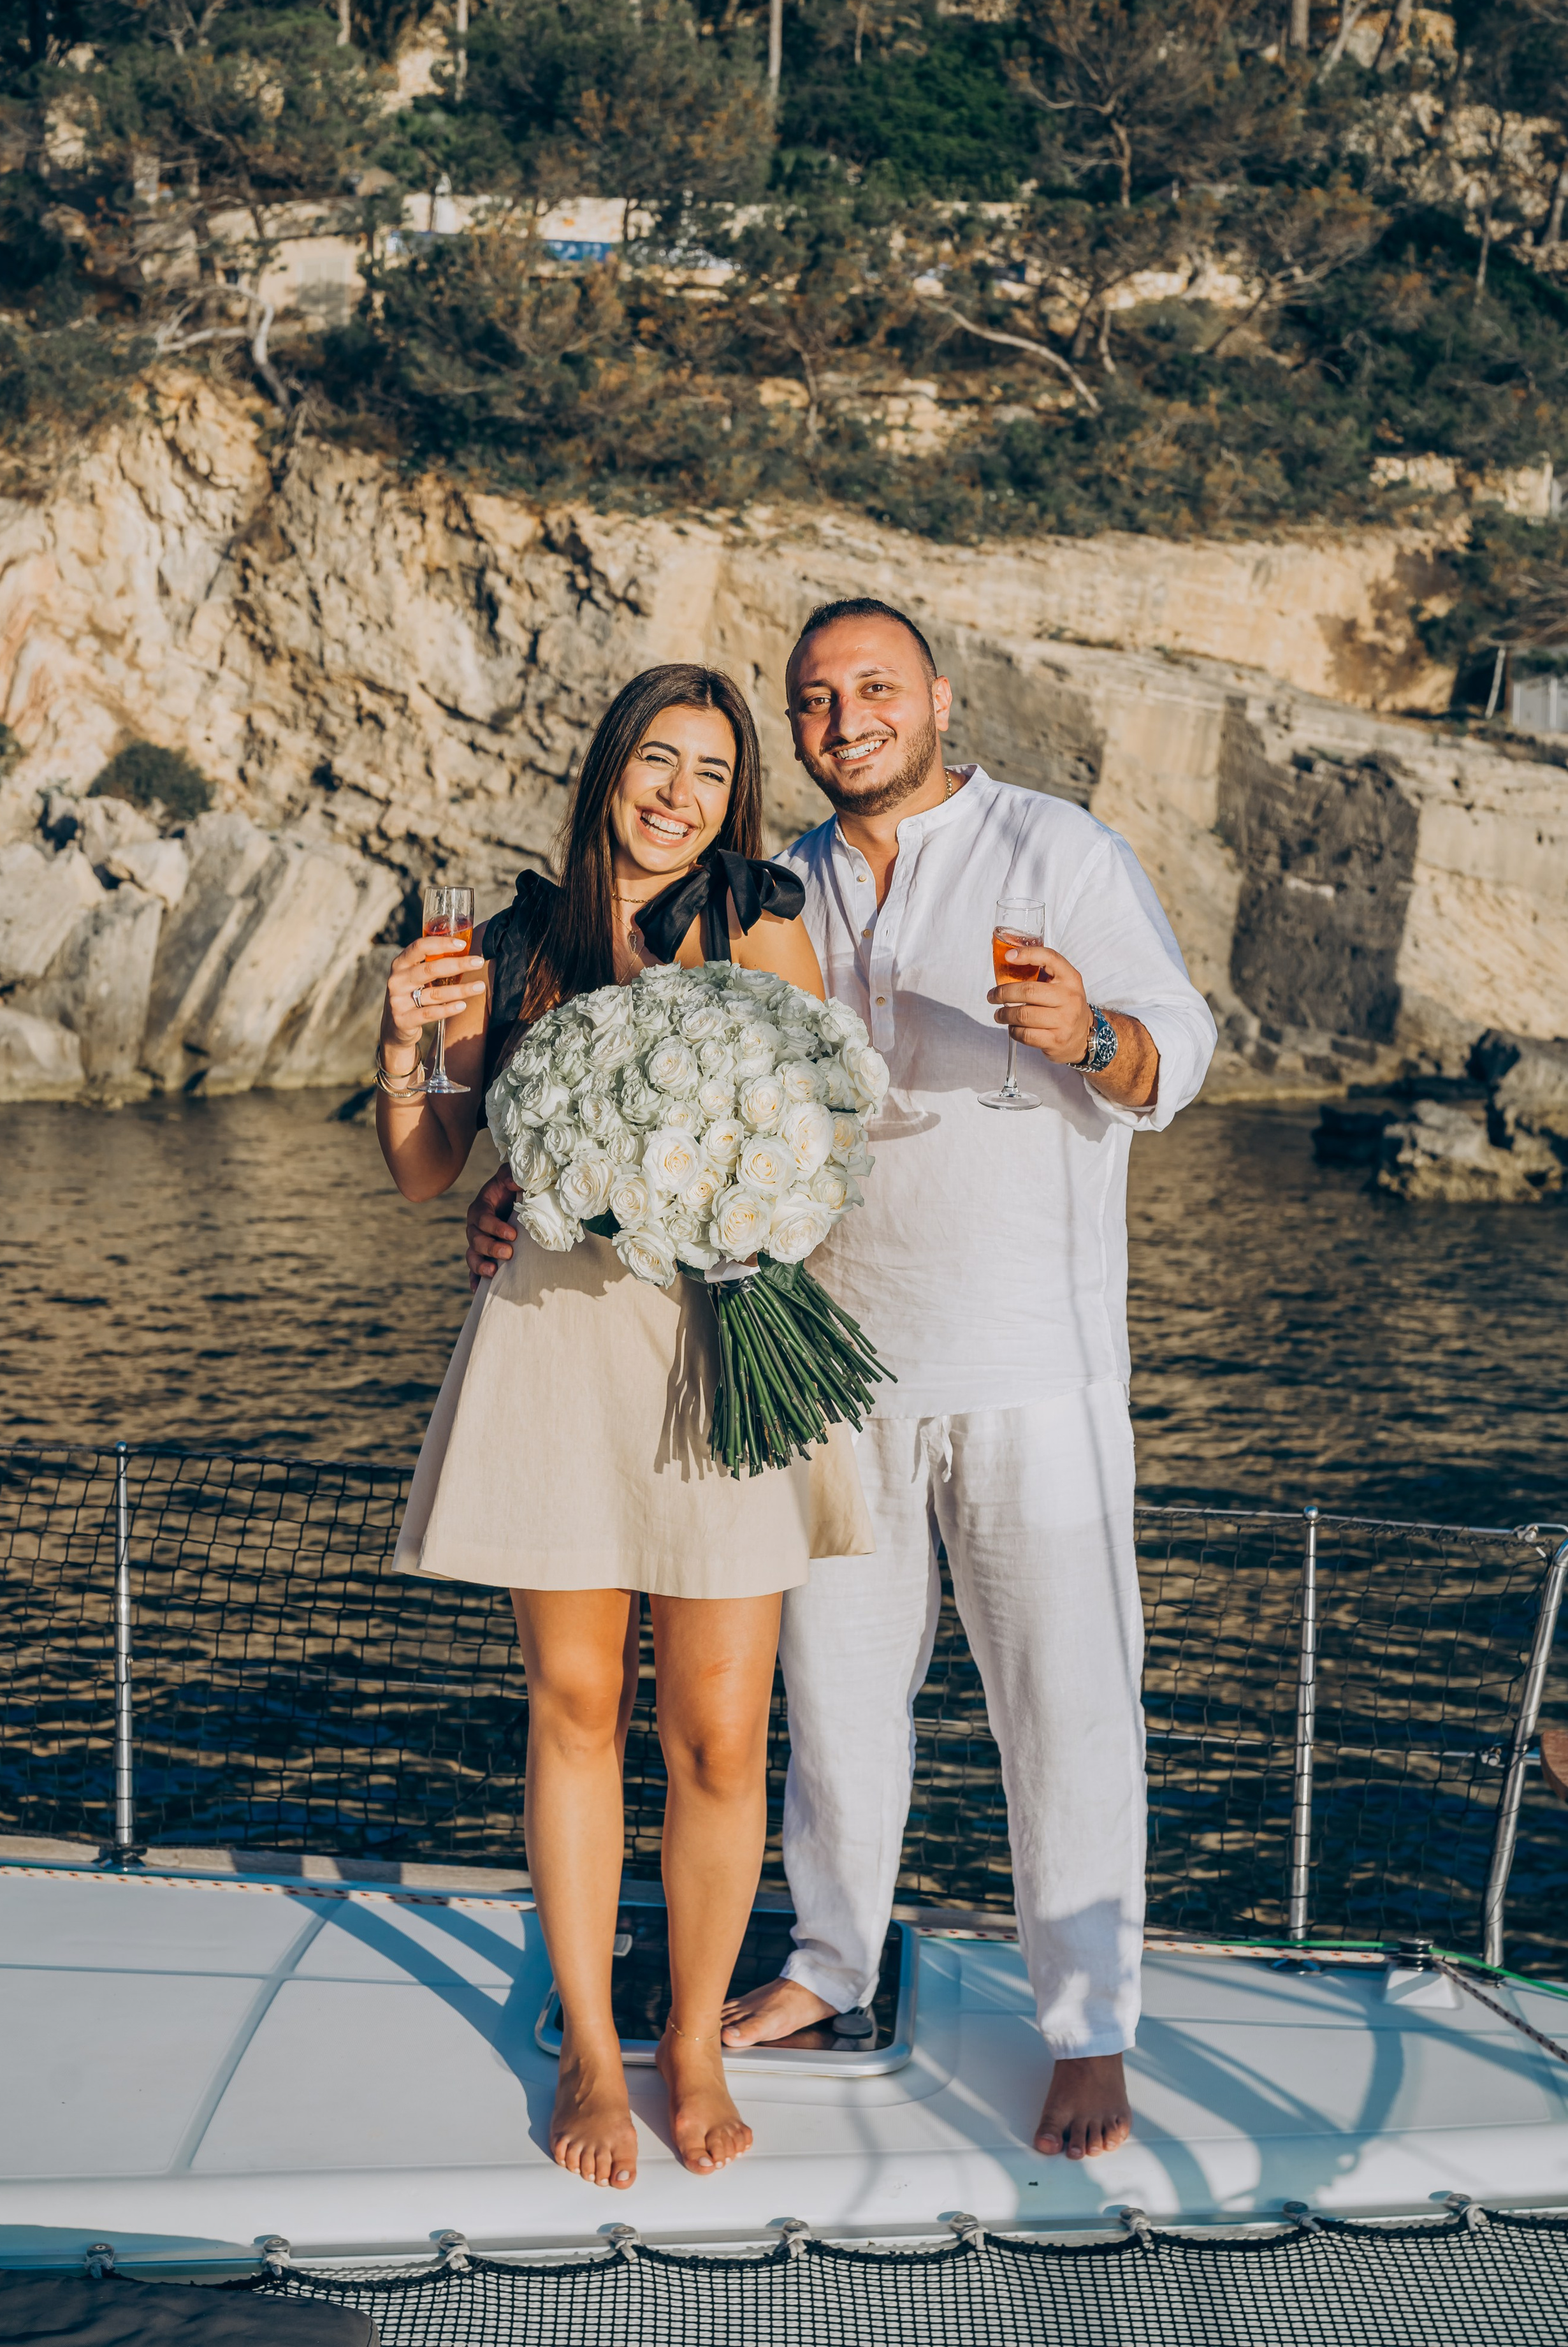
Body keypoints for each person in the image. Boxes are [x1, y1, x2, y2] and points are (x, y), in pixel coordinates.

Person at [468, 604, 1216, 2164]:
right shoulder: (775, 886)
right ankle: (825, 1963)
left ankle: (1087, 2028)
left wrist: (1095, 1034)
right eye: (815, 697)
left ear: (938, 699)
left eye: (873, 687)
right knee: (829, 1702)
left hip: (1029, 1362)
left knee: (1063, 1703)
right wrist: (539, 1178)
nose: (844, 713)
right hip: (822, 1365)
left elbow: (1182, 1051)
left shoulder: (1054, 849)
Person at [379, 663, 873, 2195]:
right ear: (605, 772)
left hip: (725, 1339)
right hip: (553, 1343)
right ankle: (595, 2047)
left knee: (719, 1732)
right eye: (654, 761)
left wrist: (729, 1200)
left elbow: (821, 1123)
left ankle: (697, 2044)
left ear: (736, 800)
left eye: (710, 772)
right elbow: (424, 1171)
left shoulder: (760, 912)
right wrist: (409, 1041)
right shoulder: (516, 941)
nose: (677, 793)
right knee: (574, 1705)